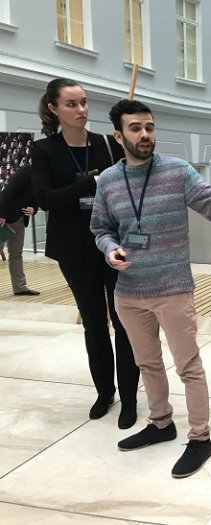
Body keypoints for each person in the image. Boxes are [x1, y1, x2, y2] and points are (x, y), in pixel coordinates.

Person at [90, 99, 211, 477]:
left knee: (188, 366)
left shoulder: (177, 171)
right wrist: (110, 249)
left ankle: (200, 437)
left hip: (173, 289)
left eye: (149, 127)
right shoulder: (109, 181)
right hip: (129, 293)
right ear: (118, 136)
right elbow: (100, 228)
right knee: (147, 363)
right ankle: (161, 422)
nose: (145, 134)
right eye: (135, 128)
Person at [31, 78, 140, 428]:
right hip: (73, 248)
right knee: (94, 322)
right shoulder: (44, 150)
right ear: (54, 109)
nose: (81, 110)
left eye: (84, 102)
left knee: (125, 321)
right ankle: (105, 392)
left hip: (112, 243)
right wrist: (89, 182)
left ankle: (129, 397)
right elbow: (44, 199)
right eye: (72, 104)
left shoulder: (107, 144)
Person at [0, 165, 39, 296]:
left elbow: (39, 196)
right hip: (4, 217)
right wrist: (2, 214)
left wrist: (34, 209)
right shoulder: (28, 171)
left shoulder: (45, 175)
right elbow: (9, 190)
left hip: (19, 219)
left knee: (16, 254)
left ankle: (20, 287)